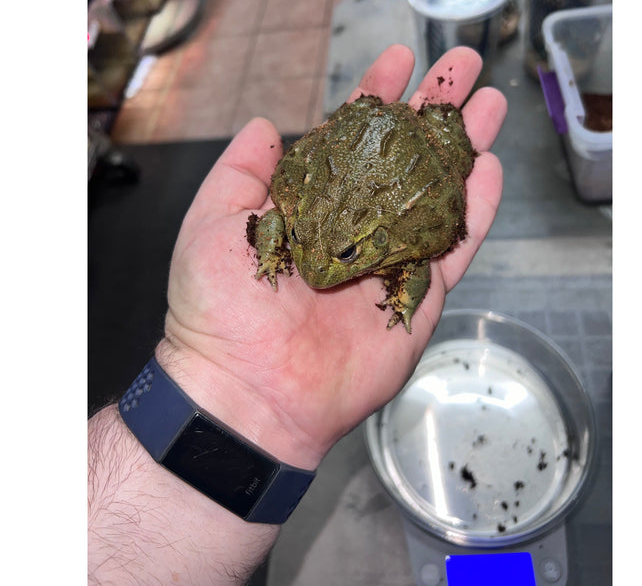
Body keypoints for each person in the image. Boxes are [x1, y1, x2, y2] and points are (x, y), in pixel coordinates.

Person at [88, 44, 506, 584]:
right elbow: (274, 225)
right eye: (305, 244)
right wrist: (274, 257)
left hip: (399, 172)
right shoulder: (303, 219)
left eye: (345, 258)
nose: (314, 272)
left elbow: (419, 269)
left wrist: (401, 298)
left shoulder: (393, 239)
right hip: (349, 174)